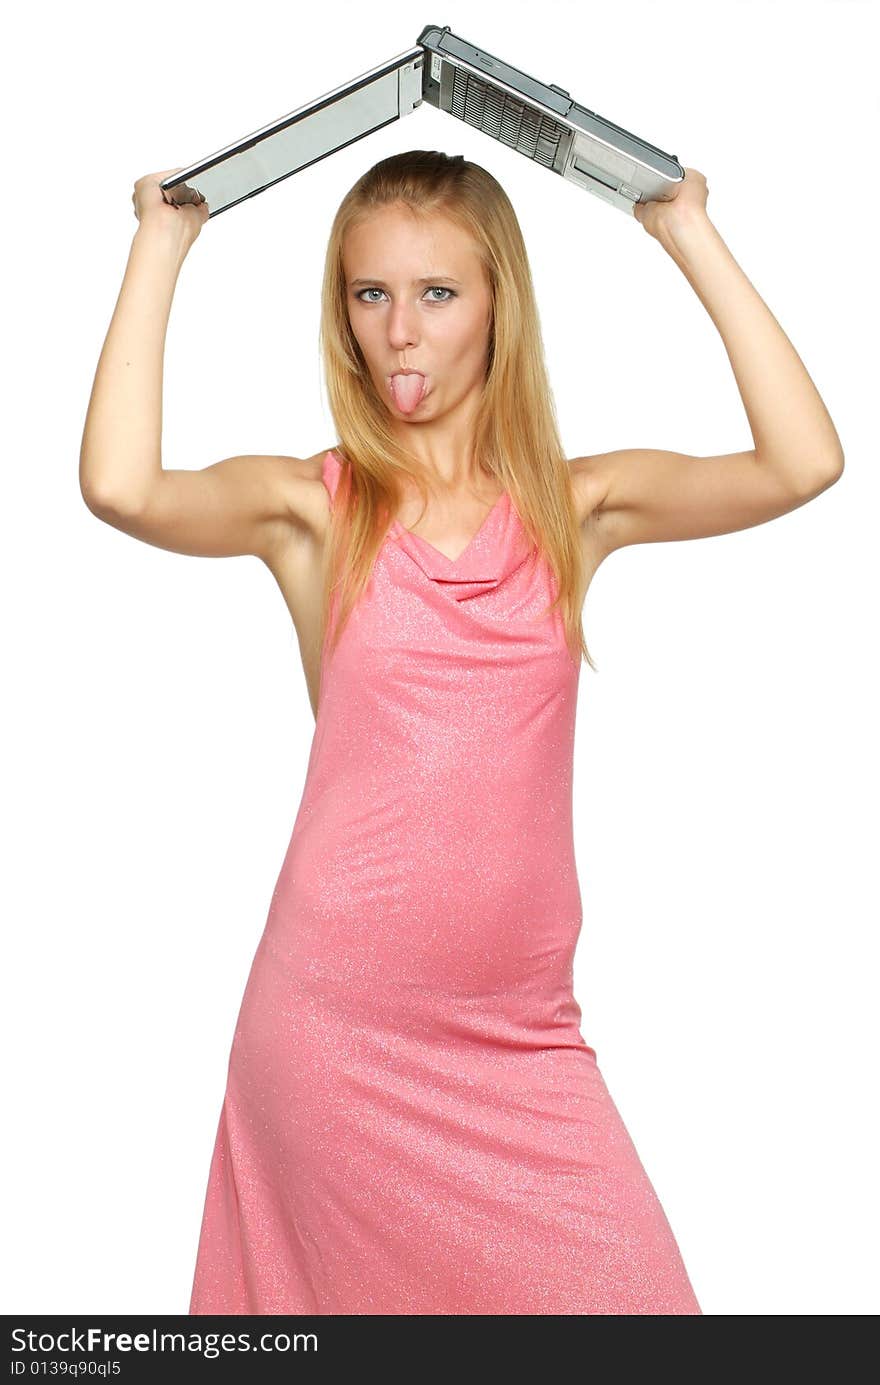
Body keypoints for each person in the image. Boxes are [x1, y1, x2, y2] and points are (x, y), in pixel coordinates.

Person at [79, 149, 844, 1315]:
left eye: (437, 294)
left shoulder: (572, 506)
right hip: (334, 1037)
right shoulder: (310, 509)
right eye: (368, 293)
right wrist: (162, 244)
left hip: (520, 1040)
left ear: (499, 306)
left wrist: (684, 230)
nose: (400, 330)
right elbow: (123, 487)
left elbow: (804, 462)